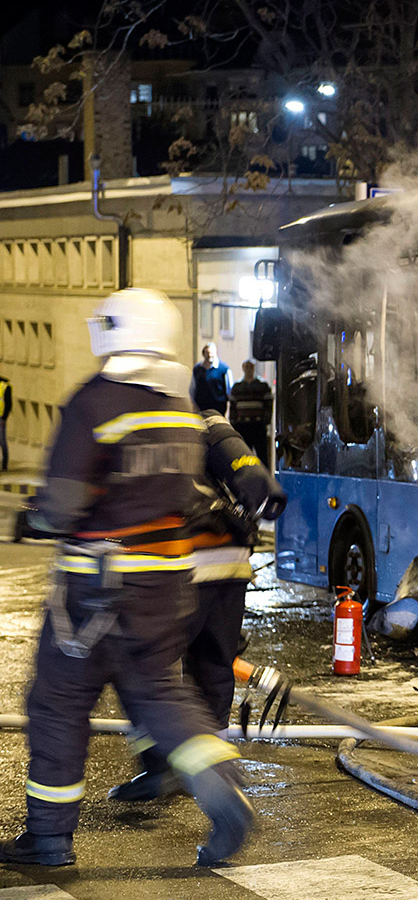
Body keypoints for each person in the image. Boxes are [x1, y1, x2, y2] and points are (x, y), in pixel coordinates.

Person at [0, 288, 254, 867]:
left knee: (57, 704)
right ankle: (221, 786)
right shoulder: (177, 408)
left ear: (112, 331)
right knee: (160, 693)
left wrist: (31, 518)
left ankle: (48, 837)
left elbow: (61, 506)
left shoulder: (94, 403)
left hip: (95, 590)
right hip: (167, 586)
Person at [109, 410, 285, 802]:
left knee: (146, 668)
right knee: (215, 668)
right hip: (233, 562)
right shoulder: (209, 426)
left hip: (186, 563)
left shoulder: (138, 423)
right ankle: (213, 773)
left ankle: (159, 768)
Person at [228, 361, 272, 464]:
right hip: (242, 426)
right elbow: (232, 407)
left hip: (258, 425)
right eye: (246, 366)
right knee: (243, 456)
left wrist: (265, 421)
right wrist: (234, 423)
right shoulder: (237, 387)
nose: (248, 369)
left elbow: (269, 405)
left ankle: (263, 478)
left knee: (262, 457)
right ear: (243, 368)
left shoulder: (262, 386)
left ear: (254, 368)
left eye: (250, 366)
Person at [191, 343, 231, 415]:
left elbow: (229, 389)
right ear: (203, 354)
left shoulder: (223, 369)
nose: (210, 355)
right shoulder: (197, 369)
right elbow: (192, 389)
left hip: (218, 408)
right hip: (201, 408)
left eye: (212, 353)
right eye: (207, 353)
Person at [0, 372, 10, 471]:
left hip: (1, 418)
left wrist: (4, 418)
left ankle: (4, 465)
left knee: (2, 441)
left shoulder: (5, 386)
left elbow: (8, 404)